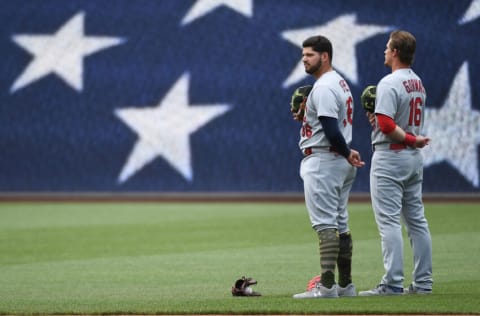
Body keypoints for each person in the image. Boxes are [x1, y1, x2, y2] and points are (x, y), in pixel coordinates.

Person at [359, 30, 433, 296]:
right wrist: (409, 138)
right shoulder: (418, 83)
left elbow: (387, 124)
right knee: (416, 221)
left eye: (388, 47)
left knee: (389, 222)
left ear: (396, 53)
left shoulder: (389, 83)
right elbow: (389, 121)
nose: (384, 51)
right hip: (412, 160)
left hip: (391, 156)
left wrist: (410, 139)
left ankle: (392, 284)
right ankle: (423, 284)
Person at [292, 35, 365, 299]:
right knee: (341, 225)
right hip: (337, 161)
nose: (304, 59)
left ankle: (326, 286)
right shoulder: (340, 82)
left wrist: (347, 153)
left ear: (325, 56)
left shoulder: (323, 87)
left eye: (310, 55)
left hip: (325, 159)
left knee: (325, 226)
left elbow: (332, 130)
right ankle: (346, 286)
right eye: (303, 55)